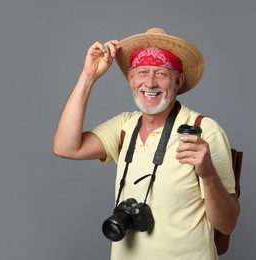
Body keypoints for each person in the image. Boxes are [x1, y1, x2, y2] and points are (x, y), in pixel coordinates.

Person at [53, 27, 239, 260]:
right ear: (131, 78)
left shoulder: (203, 131)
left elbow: (227, 224)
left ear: (178, 81)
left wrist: (208, 173)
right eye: (142, 71)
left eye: (161, 73)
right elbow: (65, 147)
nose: (150, 82)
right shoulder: (124, 126)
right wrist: (87, 77)